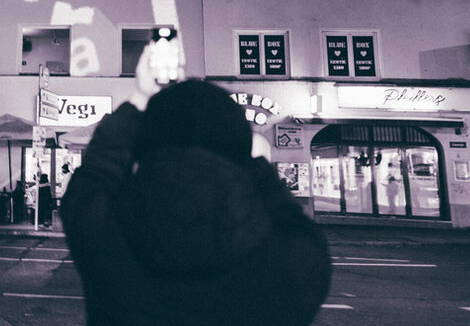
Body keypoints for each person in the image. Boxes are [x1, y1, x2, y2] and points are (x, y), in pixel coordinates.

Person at [61, 45, 331, 325]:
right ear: (240, 144)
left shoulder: (106, 231)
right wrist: (250, 157)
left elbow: (97, 171)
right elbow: (291, 218)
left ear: (145, 144)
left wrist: (140, 98)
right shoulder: (292, 260)